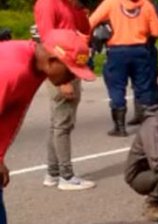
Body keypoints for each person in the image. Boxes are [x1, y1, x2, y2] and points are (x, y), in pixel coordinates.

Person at [0, 29, 95, 224]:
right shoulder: (12, 69)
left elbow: (7, 115)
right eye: (70, 71)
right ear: (53, 60)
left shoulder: (34, 66)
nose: (71, 78)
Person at [34, 0, 96, 191]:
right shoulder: (48, 4)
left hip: (72, 66)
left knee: (58, 124)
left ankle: (53, 173)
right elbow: (47, 41)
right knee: (63, 124)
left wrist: (80, 10)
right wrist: (64, 81)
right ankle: (66, 176)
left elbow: (85, 30)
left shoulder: (70, 5)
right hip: (61, 69)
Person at [89, 0, 158, 137]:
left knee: (117, 87)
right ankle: (148, 125)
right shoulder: (146, 5)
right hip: (141, 50)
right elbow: (156, 31)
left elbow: (90, 23)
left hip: (117, 51)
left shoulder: (111, 3)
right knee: (143, 87)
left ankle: (120, 127)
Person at [128, 0, 158, 126]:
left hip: (147, 46)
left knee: (150, 81)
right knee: (137, 82)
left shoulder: (149, 6)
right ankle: (140, 113)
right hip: (135, 46)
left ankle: (156, 113)